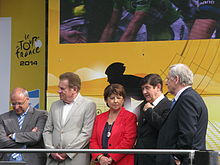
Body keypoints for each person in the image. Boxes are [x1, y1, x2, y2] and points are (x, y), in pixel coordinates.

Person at [156, 64, 208, 165]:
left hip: (184, 161)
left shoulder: (187, 99)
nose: (166, 83)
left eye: (168, 79)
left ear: (176, 79)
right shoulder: (191, 96)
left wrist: (177, 156)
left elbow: (188, 132)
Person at [43, 72, 96, 165]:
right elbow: (47, 130)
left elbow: (86, 133)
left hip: (75, 159)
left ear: (74, 89)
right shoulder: (54, 105)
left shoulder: (88, 105)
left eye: (62, 88)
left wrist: (68, 152)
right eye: (59, 88)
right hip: (53, 160)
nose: (58, 91)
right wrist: (51, 151)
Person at [90, 83, 137, 165]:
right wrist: (100, 157)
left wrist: (112, 158)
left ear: (123, 100)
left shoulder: (130, 117)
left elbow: (128, 141)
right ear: (106, 100)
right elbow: (93, 140)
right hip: (101, 162)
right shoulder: (99, 118)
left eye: (119, 98)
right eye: (112, 98)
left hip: (123, 162)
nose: (115, 101)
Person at [99, 0, 188, 42]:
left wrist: (117, 54)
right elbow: (111, 26)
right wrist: (99, 50)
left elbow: (133, 28)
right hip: (153, 29)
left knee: (174, 65)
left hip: (172, 27)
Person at [0, 87, 48, 165]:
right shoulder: (3, 118)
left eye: (19, 103)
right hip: (8, 160)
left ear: (27, 99)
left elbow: (36, 137)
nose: (16, 107)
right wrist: (27, 140)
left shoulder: (41, 115)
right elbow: (2, 141)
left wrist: (14, 136)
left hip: (32, 161)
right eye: (13, 103)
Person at [135, 74, 171, 165]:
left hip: (157, 159)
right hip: (140, 158)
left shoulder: (169, 106)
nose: (144, 92)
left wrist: (149, 111)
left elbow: (164, 127)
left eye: (147, 88)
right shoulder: (144, 105)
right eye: (143, 89)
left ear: (158, 87)